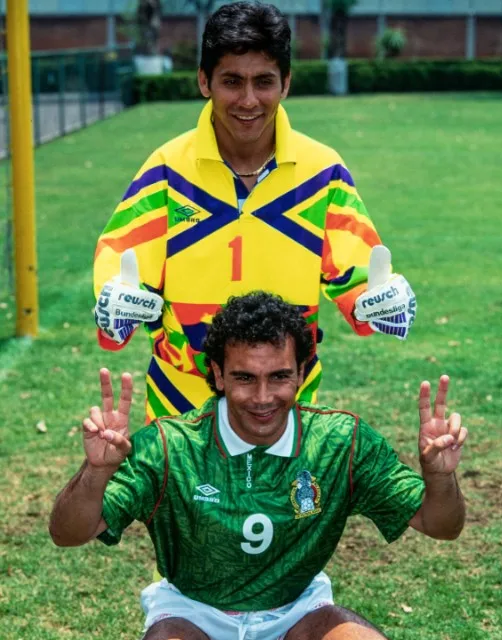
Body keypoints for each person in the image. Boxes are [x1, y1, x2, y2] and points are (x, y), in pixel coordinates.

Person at [50, 292, 466, 640]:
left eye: (280, 376)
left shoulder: (340, 442)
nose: (263, 396)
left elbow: (440, 524)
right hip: (196, 615)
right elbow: (68, 532)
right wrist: (95, 473)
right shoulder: (171, 445)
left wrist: (439, 478)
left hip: (294, 615)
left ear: (302, 372)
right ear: (218, 375)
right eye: (244, 377)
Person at [93, 1, 416, 423]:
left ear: (286, 84)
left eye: (263, 81)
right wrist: (113, 301)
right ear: (204, 81)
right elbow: (121, 270)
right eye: (232, 81)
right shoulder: (166, 171)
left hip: (286, 402)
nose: (248, 100)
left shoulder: (323, 172)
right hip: (182, 406)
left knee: (291, 493)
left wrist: (380, 300)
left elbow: (360, 275)